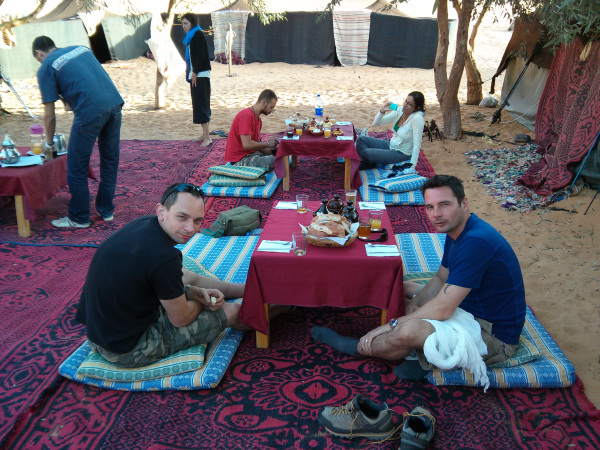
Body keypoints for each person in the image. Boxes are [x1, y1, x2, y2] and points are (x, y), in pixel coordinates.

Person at [312, 175, 526, 380]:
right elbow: (442, 278)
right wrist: (414, 306)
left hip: (491, 335)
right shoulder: (461, 229)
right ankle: (424, 350)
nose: (436, 214)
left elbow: (443, 309)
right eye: (430, 207)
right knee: (402, 289)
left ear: (464, 204)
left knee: (407, 330)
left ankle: (357, 346)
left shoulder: (476, 242)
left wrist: (391, 324)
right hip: (468, 308)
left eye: (444, 205)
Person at [76, 183, 250, 367]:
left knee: (185, 275)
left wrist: (192, 292)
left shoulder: (144, 224)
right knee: (232, 311)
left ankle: (244, 290)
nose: (190, 228)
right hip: (126, 349)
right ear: (161, 211)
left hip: (98, 334)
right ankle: (279, 309)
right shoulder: (164, 258)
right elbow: (180, 318)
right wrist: (202, 301)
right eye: (182, 217)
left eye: (197, 220)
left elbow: (158, 276)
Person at [32, 36, 124, 228]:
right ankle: (106, 210)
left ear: (38, 54)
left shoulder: (46, 66)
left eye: (38, 58)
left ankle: (79, 217)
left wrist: (48, 143)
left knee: (76, 167)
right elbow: (86, 81)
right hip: (114, 104)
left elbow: (49, 115)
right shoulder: (80, 49)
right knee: (109, 161)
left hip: (90, 111)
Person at [355, 91, 426, 171]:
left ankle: (369, 161)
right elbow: (376, 123)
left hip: (401, 152)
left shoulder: (417, 119)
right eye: (406, 101)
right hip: (391, 144)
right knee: (360, 140)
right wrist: (382, 111)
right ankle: (369, 162)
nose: (405, 105)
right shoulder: (400, 110)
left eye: (409, 104)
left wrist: (412, 166)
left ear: (417, 108)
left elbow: (417, 144)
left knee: (367, 153)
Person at [224, 89, 279, 171]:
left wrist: (271, 151)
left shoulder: (258, 119)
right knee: (273, 161)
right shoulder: (246, 116)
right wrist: (268, 144)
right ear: (264, 102)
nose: (272, 111)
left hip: (251, 154)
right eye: (271, 107)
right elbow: (246, 145)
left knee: (278, 155)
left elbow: (256, 143)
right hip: (239, 160)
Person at [181, 13, 212, 148]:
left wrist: (194, 72)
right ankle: (204, 135)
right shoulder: (192, 36)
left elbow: (200, 56)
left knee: (202, 104)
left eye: (186, 23)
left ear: (192, 23)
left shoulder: (197, 35)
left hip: (200, 75)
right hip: (196, 73)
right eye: (182, 24)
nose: (183, 26)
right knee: (198, 104)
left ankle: (207, 138)